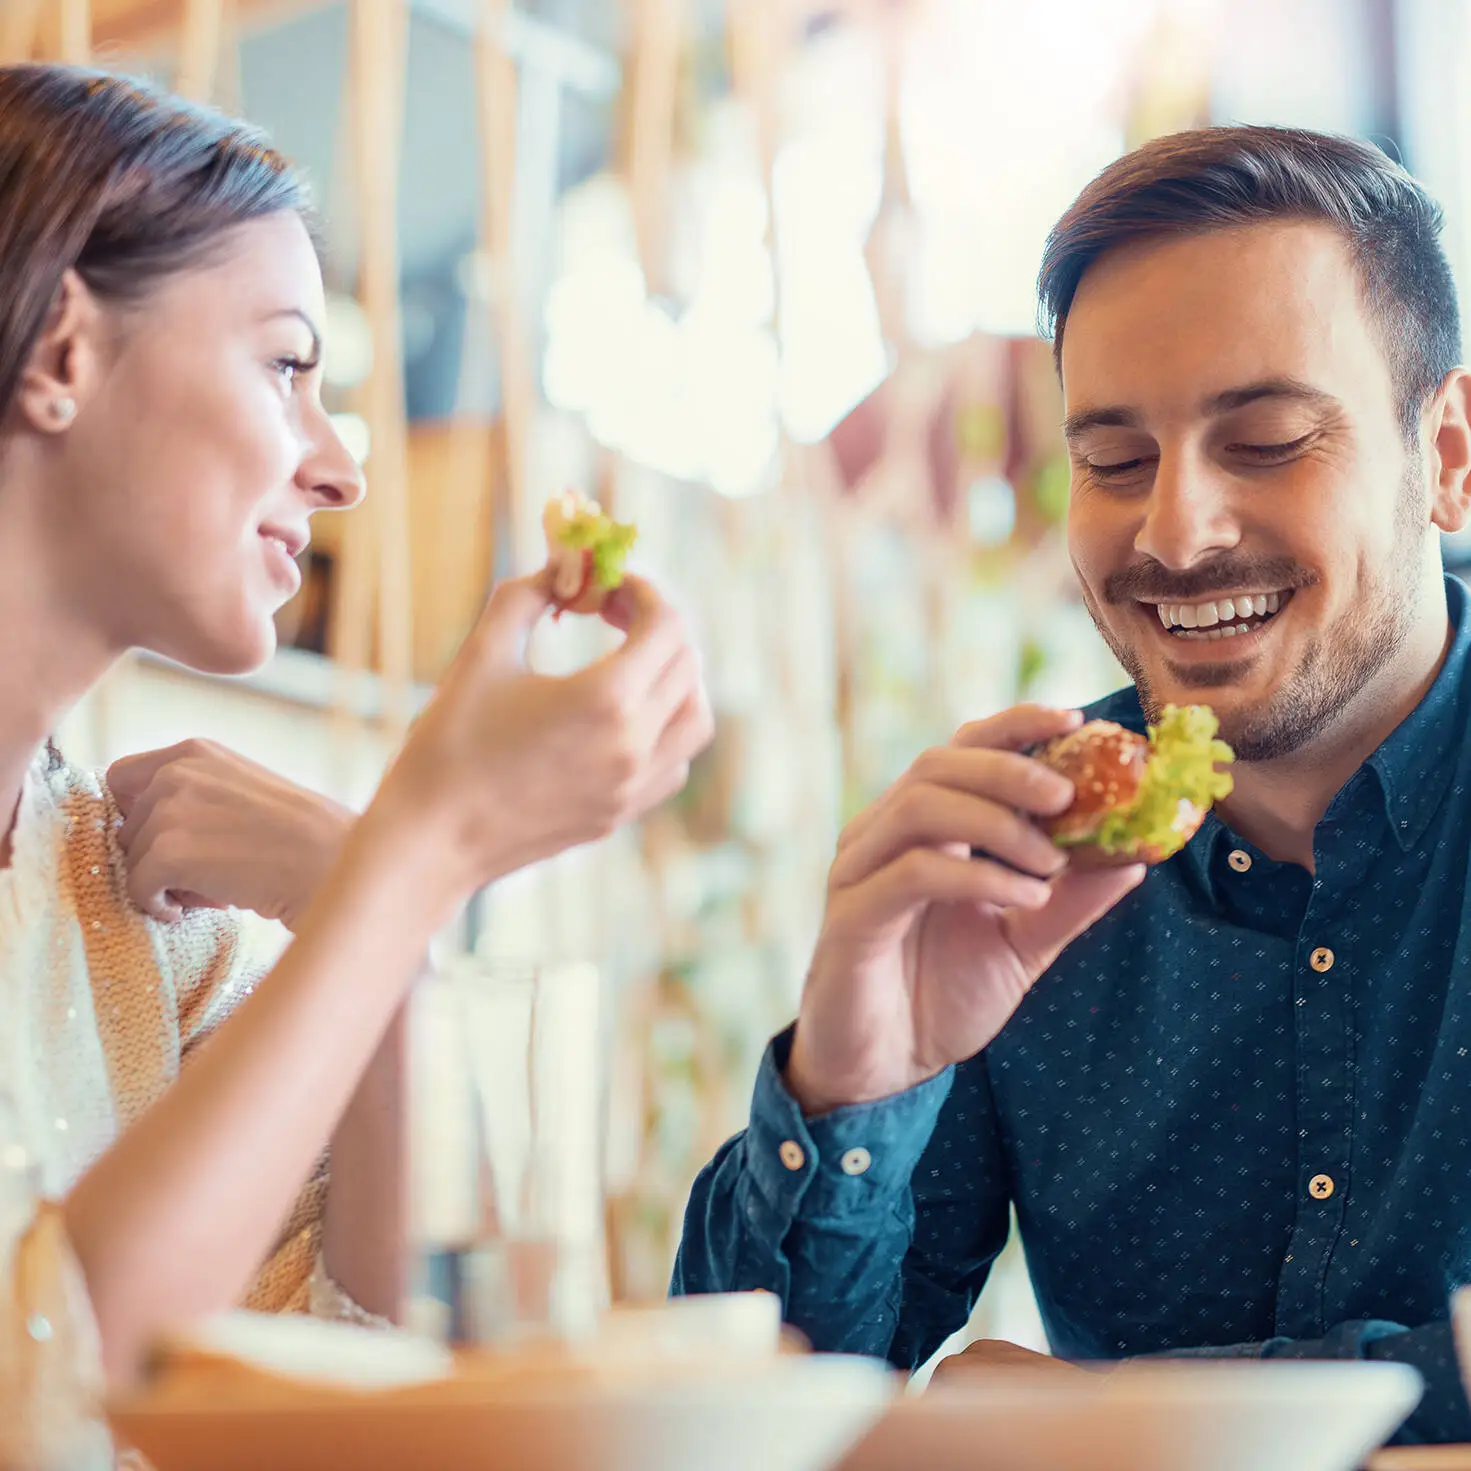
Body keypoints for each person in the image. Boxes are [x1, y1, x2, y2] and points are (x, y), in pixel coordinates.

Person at [673, 124, 1471, 1446]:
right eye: (1111, 461)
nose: (1172, 531)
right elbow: (748, 1420)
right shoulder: (1021, 852)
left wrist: (1112, 1421)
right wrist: (856, 1076)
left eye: (1265, 439)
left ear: (1443, 456)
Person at [0, 63, 711, 1467]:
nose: (343, 469)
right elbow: (49, 1388)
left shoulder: (128, 903)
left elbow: (338, 1393)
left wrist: (384, 934)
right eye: (284, 364)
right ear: (64, 353)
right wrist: (414, 855)